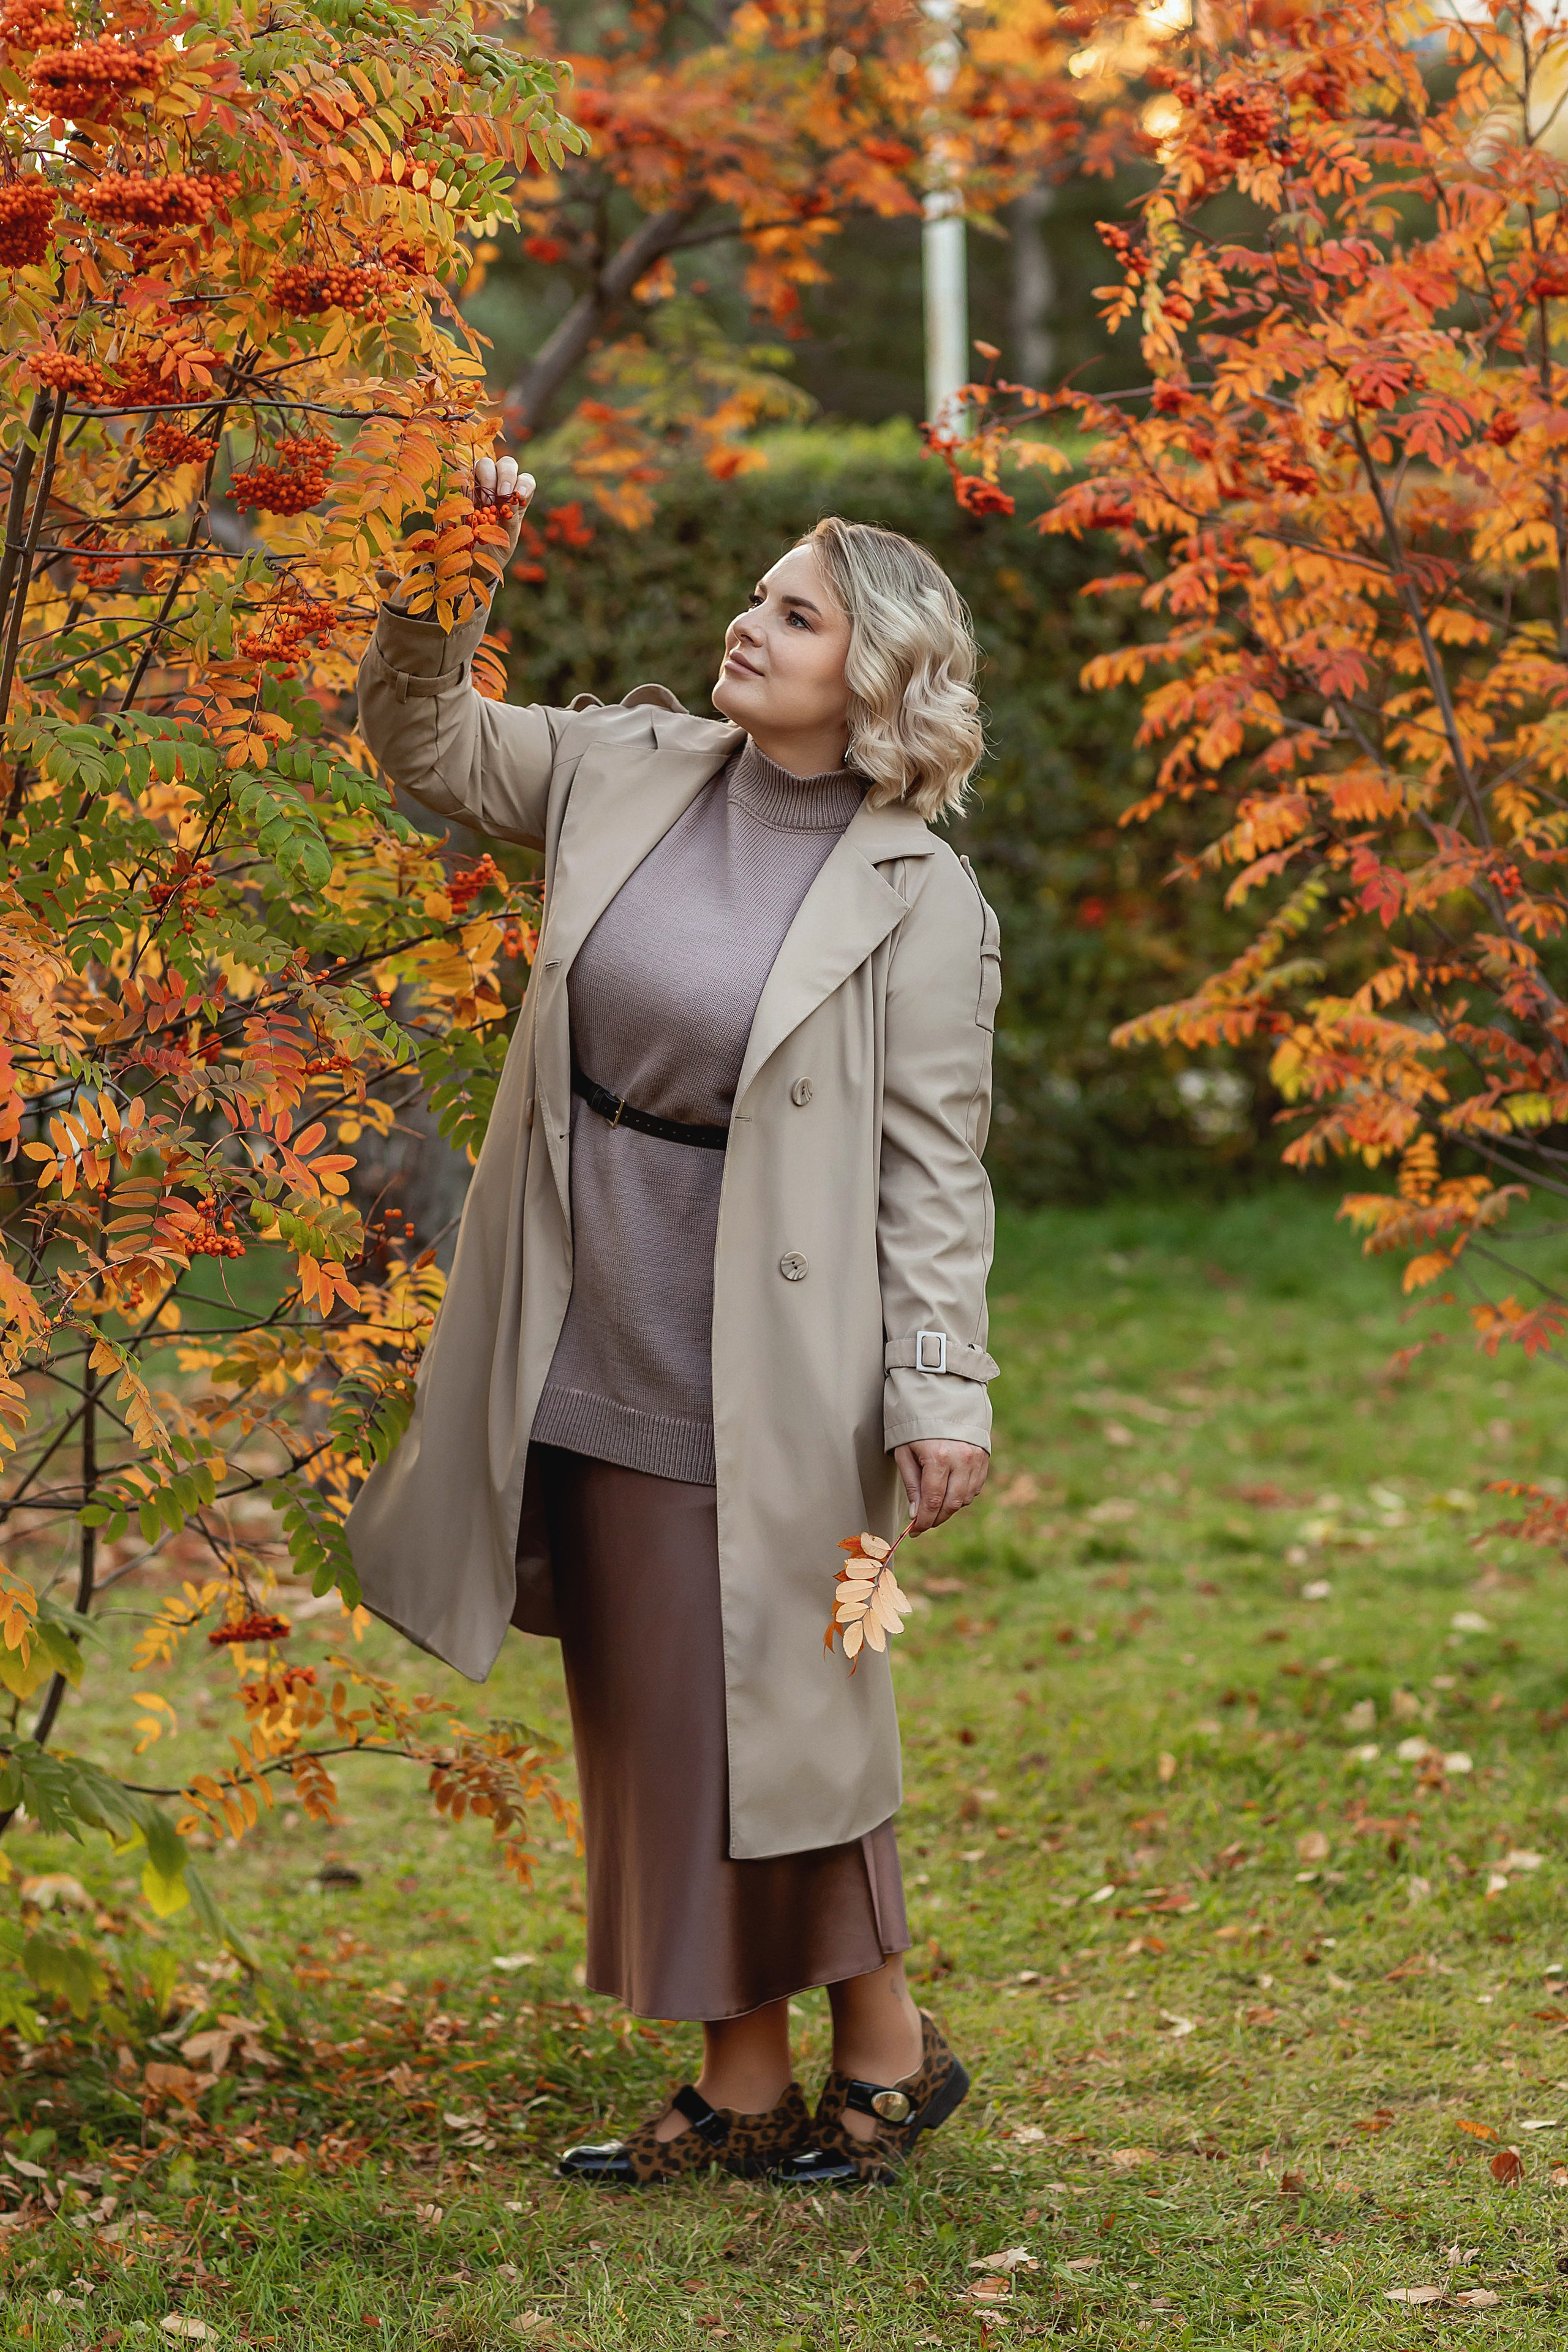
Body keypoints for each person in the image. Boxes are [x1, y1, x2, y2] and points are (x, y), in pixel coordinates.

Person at [347, 450, 1000, 2188]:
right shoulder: (624, 768)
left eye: (797, 613)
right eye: (761, 594)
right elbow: (426, 746)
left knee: (808, 1701)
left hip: (794, 1379)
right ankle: (751, 2078)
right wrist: (447, 564)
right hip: (594, 1320)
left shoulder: (921, 899)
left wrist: (943, 1388)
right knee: (661, 1706)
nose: (750, 620)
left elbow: (936, 1174)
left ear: (868, 680)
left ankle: (877, 2050)